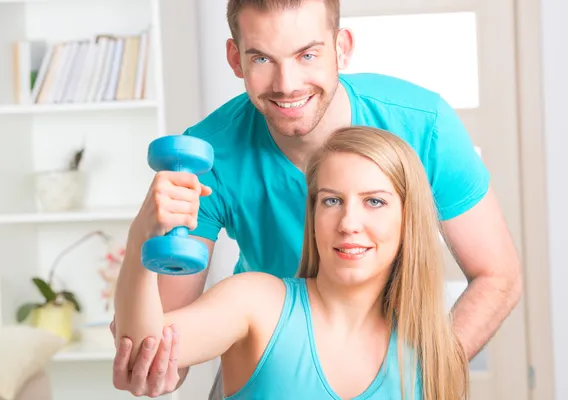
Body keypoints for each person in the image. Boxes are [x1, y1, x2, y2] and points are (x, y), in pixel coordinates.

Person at [111, 0, 522, 397]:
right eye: (261, 59)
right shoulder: (206, 157)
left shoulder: (423, 126)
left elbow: (497, 276)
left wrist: (419, 378)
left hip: (395, 359)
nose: (287, 84)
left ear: (341, 47)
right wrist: (141, 243)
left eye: (307, 55)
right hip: (269, 357)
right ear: (235, 59)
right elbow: (161, 357)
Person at [114, 126, 470, 400]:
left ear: (409, 219)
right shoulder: (258, 303)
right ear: (312, 213)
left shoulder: (433, 352)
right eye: (331, 201)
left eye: (374, 202)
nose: (348, 223)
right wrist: (141, 239)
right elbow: (143, 351)